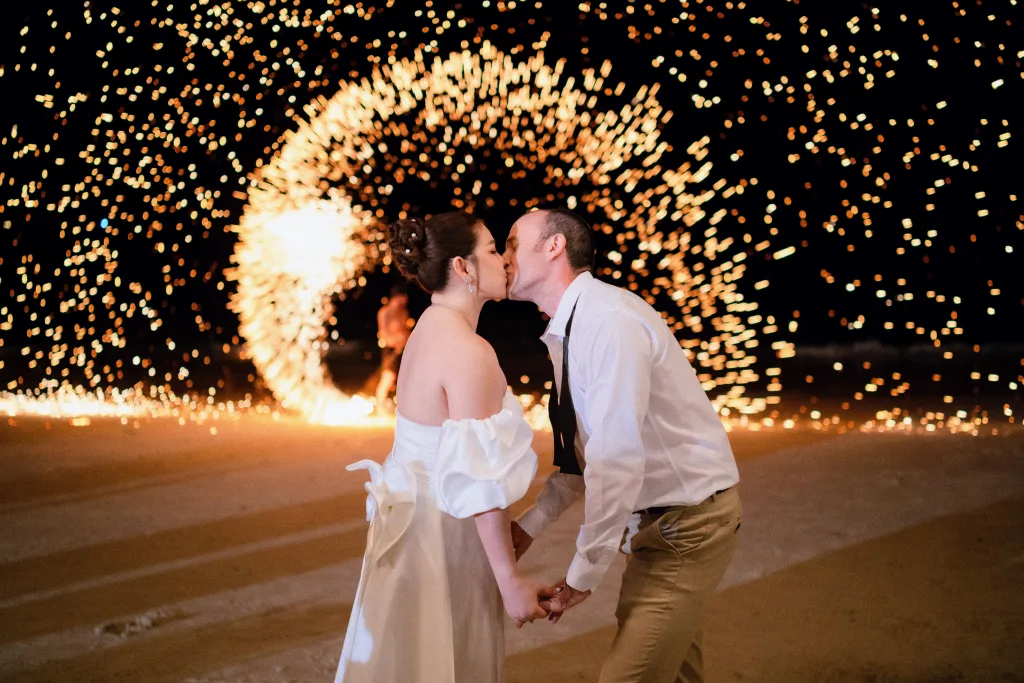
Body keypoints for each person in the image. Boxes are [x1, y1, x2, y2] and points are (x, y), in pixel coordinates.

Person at [504, 208, 743, 683]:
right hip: (662, 523)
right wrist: (531, 524)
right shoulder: (572, 327)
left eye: (512, 242)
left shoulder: (606, 321)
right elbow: (583, 455)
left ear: (555, 247)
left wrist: (581, 575)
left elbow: (615, 459)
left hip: (686, 526)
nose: (505, 256)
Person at [336, 211, 557, 683]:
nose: (506, 260)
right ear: (463, 267)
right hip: (443, 531)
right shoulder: (468, 351)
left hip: (409, 523)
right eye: (495, 250)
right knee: (449, 657)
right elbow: (478, 481)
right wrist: (509, 582)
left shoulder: (429, 330)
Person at [373, 284, 412, 412]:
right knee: (388, 377)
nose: (405, 301)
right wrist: (396, 341)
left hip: (403, 348)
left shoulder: (403, 312)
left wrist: (406, 340)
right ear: (396, 298)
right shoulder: (384, 312)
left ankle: (403, 409)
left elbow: (406, 330)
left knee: (404, 378)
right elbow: (384, 334)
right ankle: (379, 407)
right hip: (390, 349)